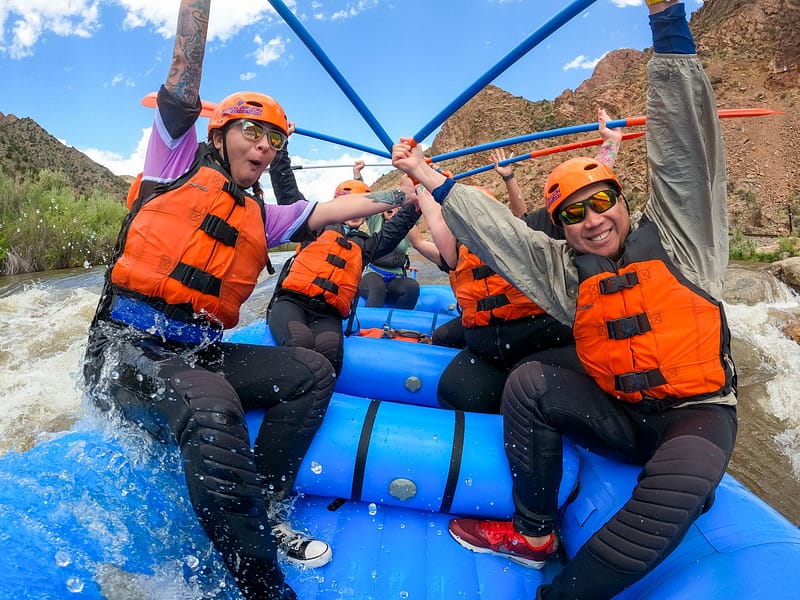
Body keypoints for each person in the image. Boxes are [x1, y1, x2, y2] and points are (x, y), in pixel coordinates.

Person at [392, 2, 737, 598]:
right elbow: (500, 235)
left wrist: (666, 19)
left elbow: (682, 149)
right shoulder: (563, 271)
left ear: (623, 200)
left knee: (672, 494)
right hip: (620, 413)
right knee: (527, 383)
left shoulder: (685, 239)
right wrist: (426, 176)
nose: (592, 220)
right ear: (562, 227)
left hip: (694, 414)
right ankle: (534, 533)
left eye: (601, 202)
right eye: (574, 214)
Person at [82, 1, 413, 598]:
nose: (263, 146)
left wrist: (404, 192)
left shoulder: (266, 215)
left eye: (274, 139)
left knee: (312, 371)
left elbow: (333, 209)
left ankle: (266, 502)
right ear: (220, 134)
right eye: (252, 132)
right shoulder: (174, 160)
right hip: (125, 348)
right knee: (212, 405)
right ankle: (263, 587)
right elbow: (182, 88)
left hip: (195, 350)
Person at [429, 115, 623, 413]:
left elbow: (580, 195)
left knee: (529, 384)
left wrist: (611, 143)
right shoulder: (454, 252)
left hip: (542, 341)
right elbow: (434, 216)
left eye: (482, 217)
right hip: (488, 347)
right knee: (454, 392)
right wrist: (422, 179)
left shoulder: (524, 234)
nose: (478, 225)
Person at [267, 175, 423, 375]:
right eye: (351, 204)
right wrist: (279, 157)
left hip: (328, 313)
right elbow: (287, 192)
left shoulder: (366, 245)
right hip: (292, 302)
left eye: (361, 206)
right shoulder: (314, 225)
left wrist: (417, 195)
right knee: (300, 341)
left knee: (331, 353)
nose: (356, 212)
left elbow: (396, 228)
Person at [355, 160, 435, 309]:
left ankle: (400, 322)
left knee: (412, 287)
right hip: (373, 275)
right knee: (377, 288)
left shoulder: (405, 224)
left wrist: (424, 175)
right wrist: (358, 174)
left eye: (396, 205)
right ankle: (372, 323)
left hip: (396, 278)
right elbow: (364, 199)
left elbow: (417, 200)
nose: (391, 207)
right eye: (389, 205)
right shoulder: (374, 219)